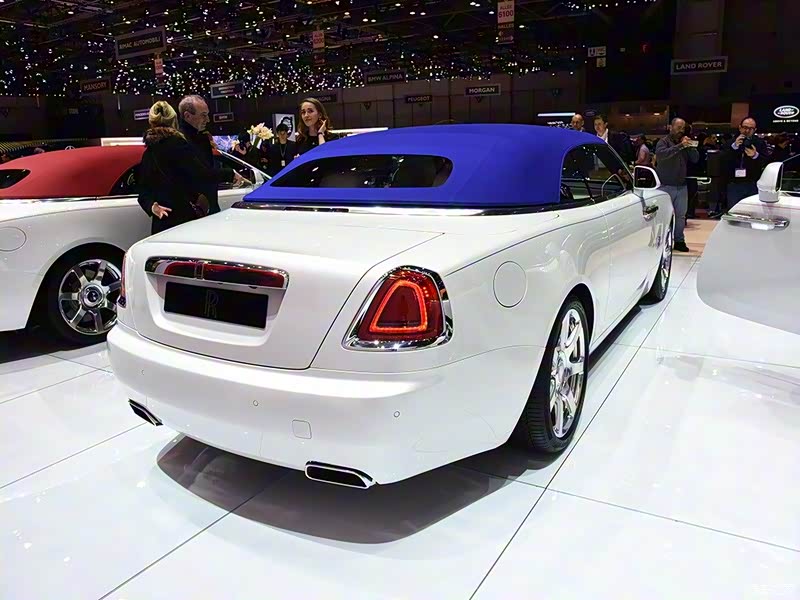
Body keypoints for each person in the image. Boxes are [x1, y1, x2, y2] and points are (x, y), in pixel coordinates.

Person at [137, 101, 223, 235]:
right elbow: (201, 174)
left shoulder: (148, 153)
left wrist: (152, 207)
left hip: (162, 222)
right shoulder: (179, 145)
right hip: (185, 220)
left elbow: (143, 191)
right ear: (174, 121)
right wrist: (230, 174)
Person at [177, 94, 244, 214]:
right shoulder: (179, 142)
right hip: (192, 212)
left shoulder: (201, 138)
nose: (207, 120)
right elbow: (199, 174)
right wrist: (229, 174)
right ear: (187, 116)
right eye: (203, 115)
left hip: (208, 207)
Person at [655, 118, 699, 253]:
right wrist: (680, 146)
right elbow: (662, 155)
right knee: (664, 216)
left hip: (681, 186)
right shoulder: (663, 142)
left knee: (681, 216)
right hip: (665, 186)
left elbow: (695, 159)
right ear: (671, 127)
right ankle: (662, 241)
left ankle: (679, 240)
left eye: (683, 128)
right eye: (678, 127)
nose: (681, 130)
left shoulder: (684, 142)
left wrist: (690, 147)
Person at [723, 117, 767, 209]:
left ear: (755, 130)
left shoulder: (759, 143)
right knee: (734, 211)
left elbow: (765, 162)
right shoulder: (730, 143)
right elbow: (723, 161)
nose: (747, 130)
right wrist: (734, 147)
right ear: (740, 127)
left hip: (752, 183)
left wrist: (755, 156)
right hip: (734, 183)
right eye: (745, 127)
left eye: (751, 128)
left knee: (752, 211)